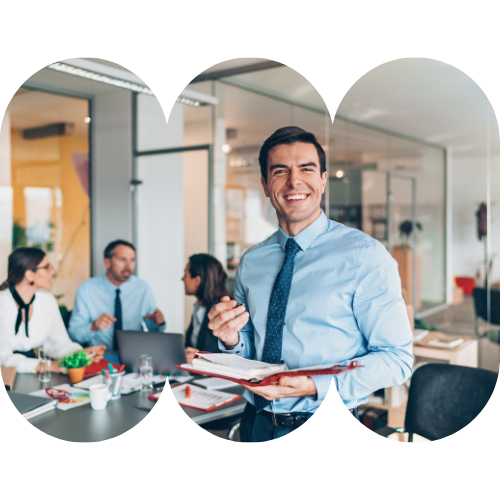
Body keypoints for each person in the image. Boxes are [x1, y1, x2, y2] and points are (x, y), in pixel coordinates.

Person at [208, 126, 414, 443]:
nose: (294, 182)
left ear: (323, 180)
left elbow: (396, 359)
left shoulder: (365, 256)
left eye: (306, 169)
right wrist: (232, 338)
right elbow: (251, 349)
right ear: (265, 184)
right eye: (280, 171)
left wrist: (313, 385)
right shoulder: (252, 261)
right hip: (255, 423)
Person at [0, 247, 105, 373]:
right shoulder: (2, 303)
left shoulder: (47, 301)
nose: (53, 272)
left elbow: (60, 344)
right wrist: (46, 366)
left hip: (36, 375)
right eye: (47, 267)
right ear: (29, 275)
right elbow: (3, 358)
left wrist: (80, 353)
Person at [68, 240, 166, 351]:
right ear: (107, 262)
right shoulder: (86, 289)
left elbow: (155, 331)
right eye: (122, 260)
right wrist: (93, 326)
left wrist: (157, 322)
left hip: (135, 355)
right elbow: (74, 335)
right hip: (101, 358)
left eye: (132, 260)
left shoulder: (142, 288)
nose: (128, 266)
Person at [182, 254, 229, 363]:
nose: (182, 279)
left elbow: (227, 357)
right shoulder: (198, 308)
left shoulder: (221, 312)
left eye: (185, 274)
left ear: (197, 280)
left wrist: (202, 359)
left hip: (213, 378)